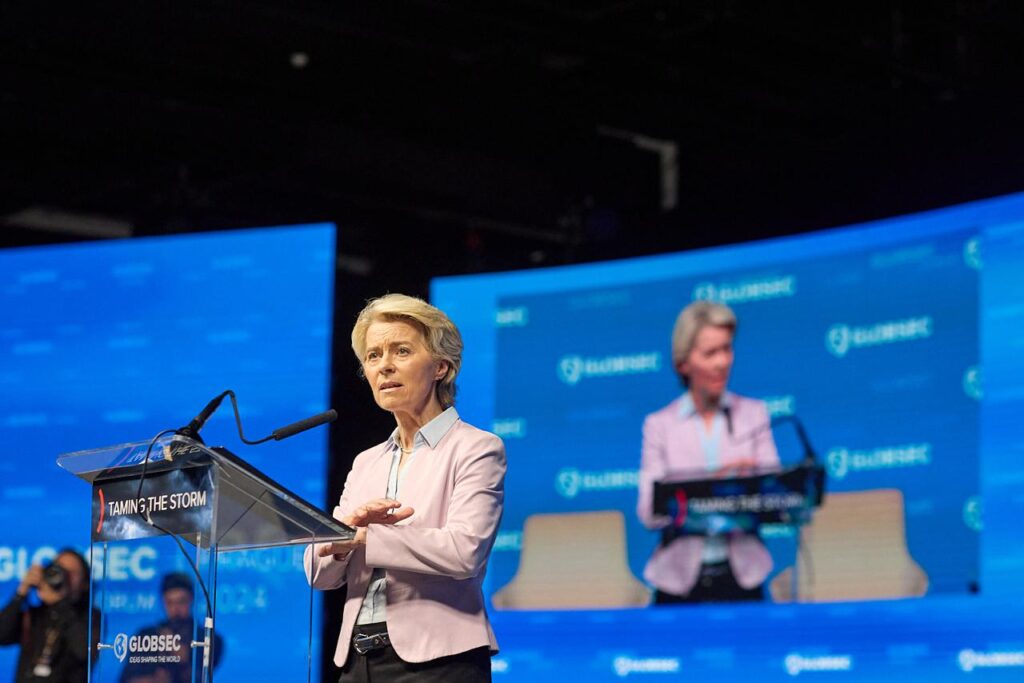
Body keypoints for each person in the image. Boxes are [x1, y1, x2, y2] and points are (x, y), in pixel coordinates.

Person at [306, 293, 506, 682]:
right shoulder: (366, 461)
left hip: (439, 661)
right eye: (373, 356)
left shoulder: (477, 448)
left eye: (401, 351)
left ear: (441, 367)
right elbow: (320, 575)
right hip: (357, 662)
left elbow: (464, 551)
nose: (384, 367)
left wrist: (366, 537)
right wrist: (346, 533)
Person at [637, 300, 780, 604]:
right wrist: (719, 481)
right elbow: (649, 512)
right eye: (710, 353)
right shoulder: (659, 425)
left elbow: (778, 497)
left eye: (727, 349)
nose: (722, 362)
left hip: (744, 577)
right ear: (683, 363)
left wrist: (747, 484)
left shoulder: (754, 414)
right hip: (677, 582)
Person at [0, 548, 99, 682]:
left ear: (85, 584)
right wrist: (22, 592)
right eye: (60, 569)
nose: (65, 577)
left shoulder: (90, 616)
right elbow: (2, 635)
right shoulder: (36, 613)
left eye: (72, 573)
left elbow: (84, 651)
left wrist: (59, 602)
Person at [119, 572, 224, 683]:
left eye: (181, 601)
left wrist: (181, 656)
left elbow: (201, 678)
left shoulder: (207, 639)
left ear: (191, 600)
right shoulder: (146, 636)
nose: (175, 609)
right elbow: (126, 678)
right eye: (170, 602)